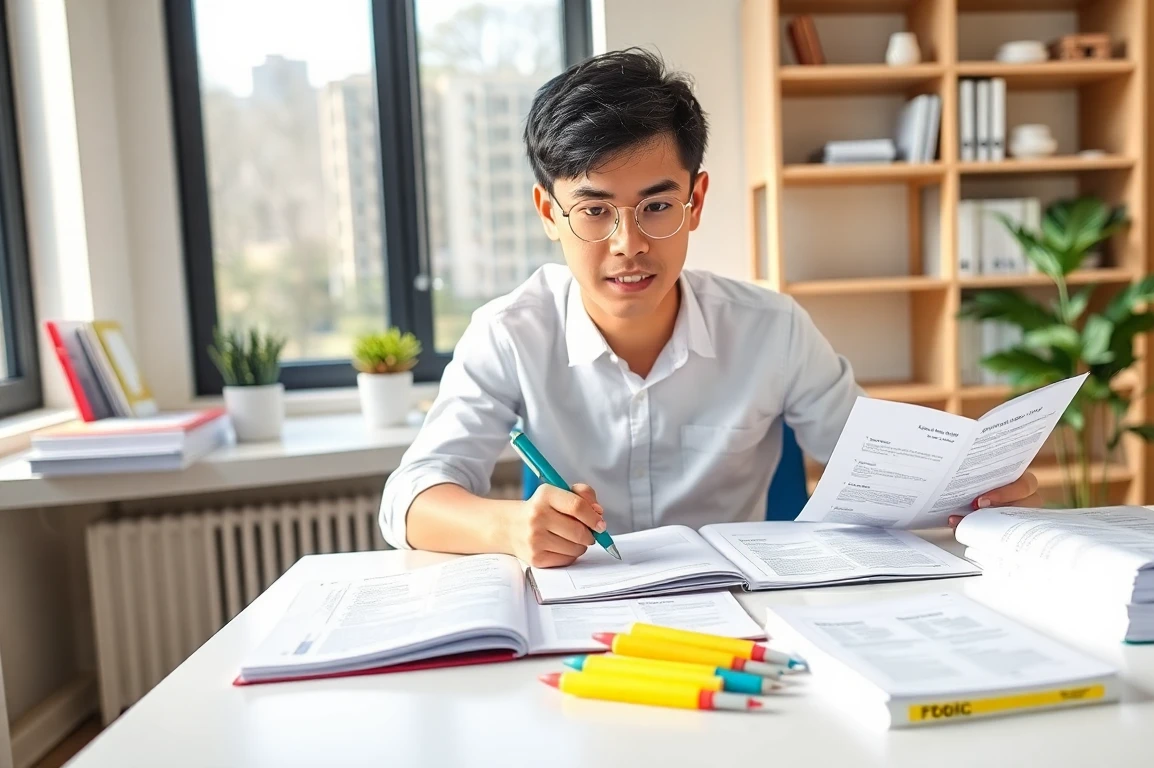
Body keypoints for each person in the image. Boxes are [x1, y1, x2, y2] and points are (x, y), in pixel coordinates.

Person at [378, 48, 1041, 564]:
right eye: (594, 210)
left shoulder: (772, 330)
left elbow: (872, 469)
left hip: (750, 615)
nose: (628, 245)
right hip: (584, 621)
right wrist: (507, 527)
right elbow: (408, 502)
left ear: (696, 201)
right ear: (549, 213)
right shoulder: (509, 333)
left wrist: (976, 488)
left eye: (657, 207)